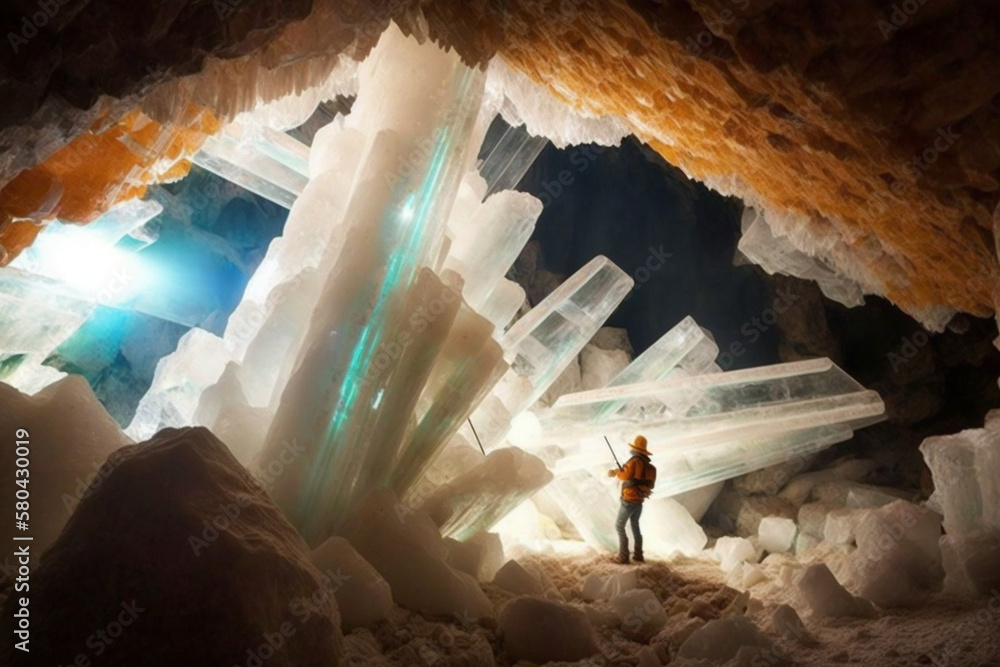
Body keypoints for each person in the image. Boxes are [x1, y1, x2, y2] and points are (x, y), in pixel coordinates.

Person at [607, 435, 656, 564]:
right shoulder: (650, 468)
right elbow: (650, 484)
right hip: (639, 501)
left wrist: (616, 471)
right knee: (635, 526)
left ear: (635, 449)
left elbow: (625, 476)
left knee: (619, 526)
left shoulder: (634, 461)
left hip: (628, 500)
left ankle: (623, 556)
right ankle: (638, 555)